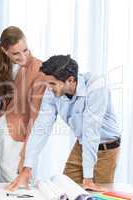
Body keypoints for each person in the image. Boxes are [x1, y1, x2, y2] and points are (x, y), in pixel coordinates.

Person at [7, 55, 121, 191]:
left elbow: (91, 131)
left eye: (53, 84)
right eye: (48, 83)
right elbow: (41, 127)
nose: (49, 88)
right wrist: (27, 169)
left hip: (106, 148)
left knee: (94, 194)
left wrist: (88, 179)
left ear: (70, 80)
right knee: (65, 190)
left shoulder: (96, 87)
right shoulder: (52, 92)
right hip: (82, 144)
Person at [0, 26, 46, 182]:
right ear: (5, 51)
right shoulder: (0, 63)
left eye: (25, 50)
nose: (23, 57)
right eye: (16, 53)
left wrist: (26, 155)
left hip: (18, 140)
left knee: (18, 186)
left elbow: (36, 118)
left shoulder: (39, 70)